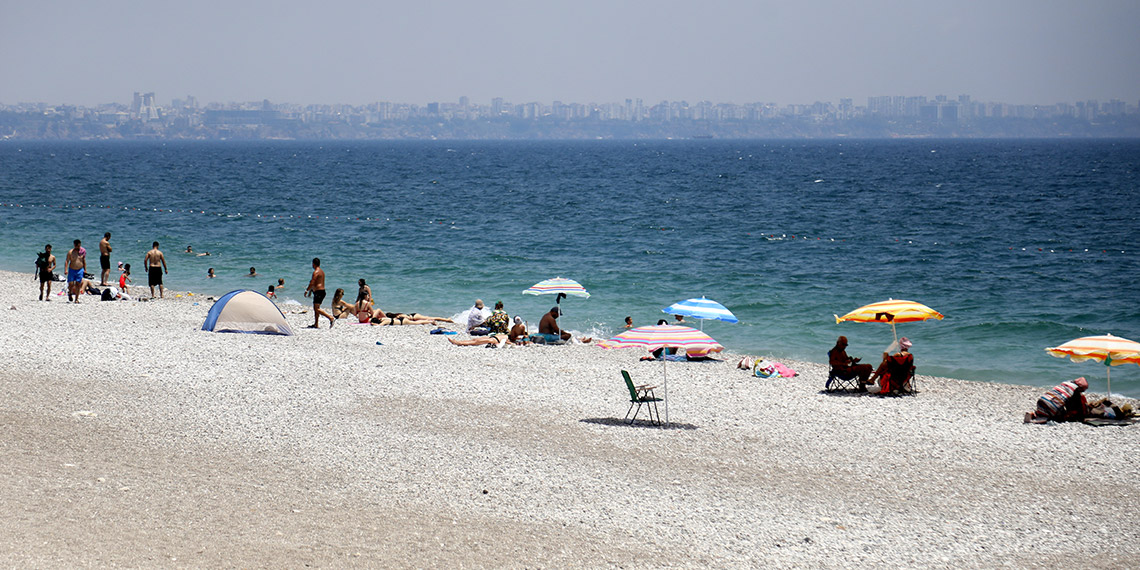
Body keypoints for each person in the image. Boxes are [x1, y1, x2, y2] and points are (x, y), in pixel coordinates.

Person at [304, 257, 334, 328]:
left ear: (313, 264)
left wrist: (307, 290)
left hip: (319, 292)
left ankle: (330, 318)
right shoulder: (322, 272)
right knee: (317, 308)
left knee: (316, 309)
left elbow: (312, 282)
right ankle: (316, 324)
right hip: (321, 291)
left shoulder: (316, 272)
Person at [65, 239, 86, 303]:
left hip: (80, 270)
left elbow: (84, 260)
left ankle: (76, 299)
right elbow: (67, 261)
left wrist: (85, 269)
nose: (77, 247)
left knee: (78, 284)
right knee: (71, 284)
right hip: (72, 270)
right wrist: (66, 270)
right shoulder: (70, 252)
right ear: (74, 245)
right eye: (76, 245)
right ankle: (70, 293)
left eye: (78, 245)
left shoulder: (82, 251)